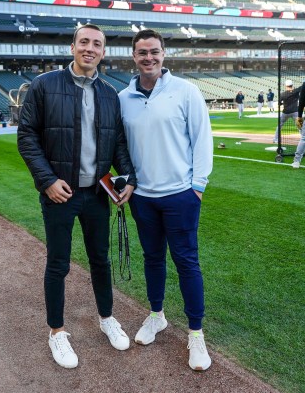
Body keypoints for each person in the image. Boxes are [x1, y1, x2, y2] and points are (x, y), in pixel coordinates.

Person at [17, 24, 137, 370]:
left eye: (96, 44)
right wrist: (47, 180)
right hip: (59, 193)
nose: (90, 48)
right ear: (72, 47)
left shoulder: (109, 94)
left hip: (96, 193)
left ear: (103, 51)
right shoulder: (44, 85)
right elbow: (27, 137)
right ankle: (56, 332)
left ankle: (106, 317)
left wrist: (126, 179)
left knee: (100, 260)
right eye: (83, 42)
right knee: (59, 263)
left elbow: (117, 145)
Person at [118, 29, 213, 371]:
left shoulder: (186, 91)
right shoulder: (123, 97)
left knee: (187, 262)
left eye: (154, 51)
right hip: (143, 198)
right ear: (134, 56)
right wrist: (124, 184)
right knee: (153, 259)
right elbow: (120, 148)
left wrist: (197, 187)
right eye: (142, 52)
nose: (149, 58)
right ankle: (156, 315)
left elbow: (203, 140)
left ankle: (196, 334)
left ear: (164, 54)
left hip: (180, 196)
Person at [274, 79, 302, 144]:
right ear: (292, 85)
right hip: (295, 112)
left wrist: (282, 103)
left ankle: (275, 139)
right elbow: (302, 87)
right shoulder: (296, 91)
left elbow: (279, 103)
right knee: (300, 126)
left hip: (285, 112)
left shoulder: (282, 94)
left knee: (279, 126)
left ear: (286, 86)